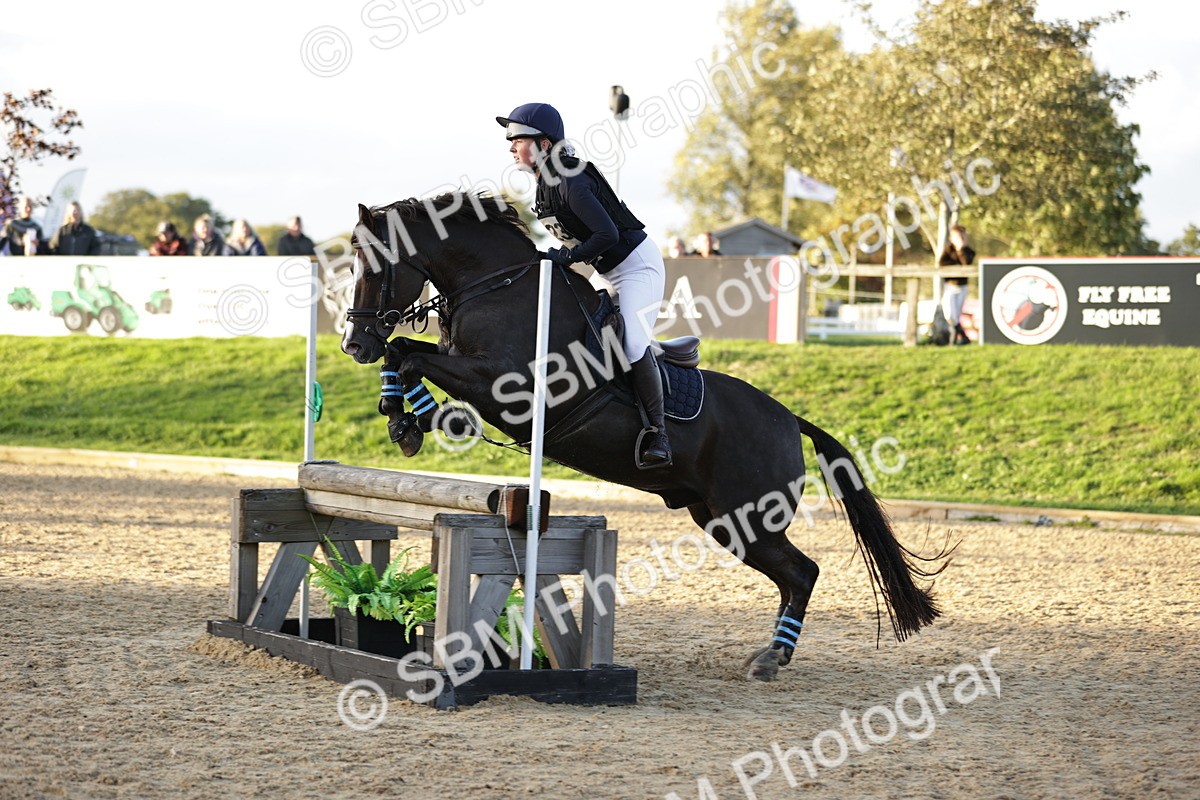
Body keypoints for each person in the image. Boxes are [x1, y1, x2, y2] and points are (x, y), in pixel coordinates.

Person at [497, 101, 672, 468]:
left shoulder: (570, 180)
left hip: (637, 268)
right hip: (607, 270)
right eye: (510, 140)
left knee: (632, 343)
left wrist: (565, 257)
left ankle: (659, 433)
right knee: (579, 331)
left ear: (545, 144)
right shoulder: (545, 183)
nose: (511, 146)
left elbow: (607, 235)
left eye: (518, 139)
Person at [939, 224, 975, 345]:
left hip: (962, 287)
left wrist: (961, 250)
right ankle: (964, 338)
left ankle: (953, 341)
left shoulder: (969, 252)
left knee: (956, 315)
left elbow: (966, 263)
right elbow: (942, 264)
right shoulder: (948, 250)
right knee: (950, 314)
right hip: (950, 286)